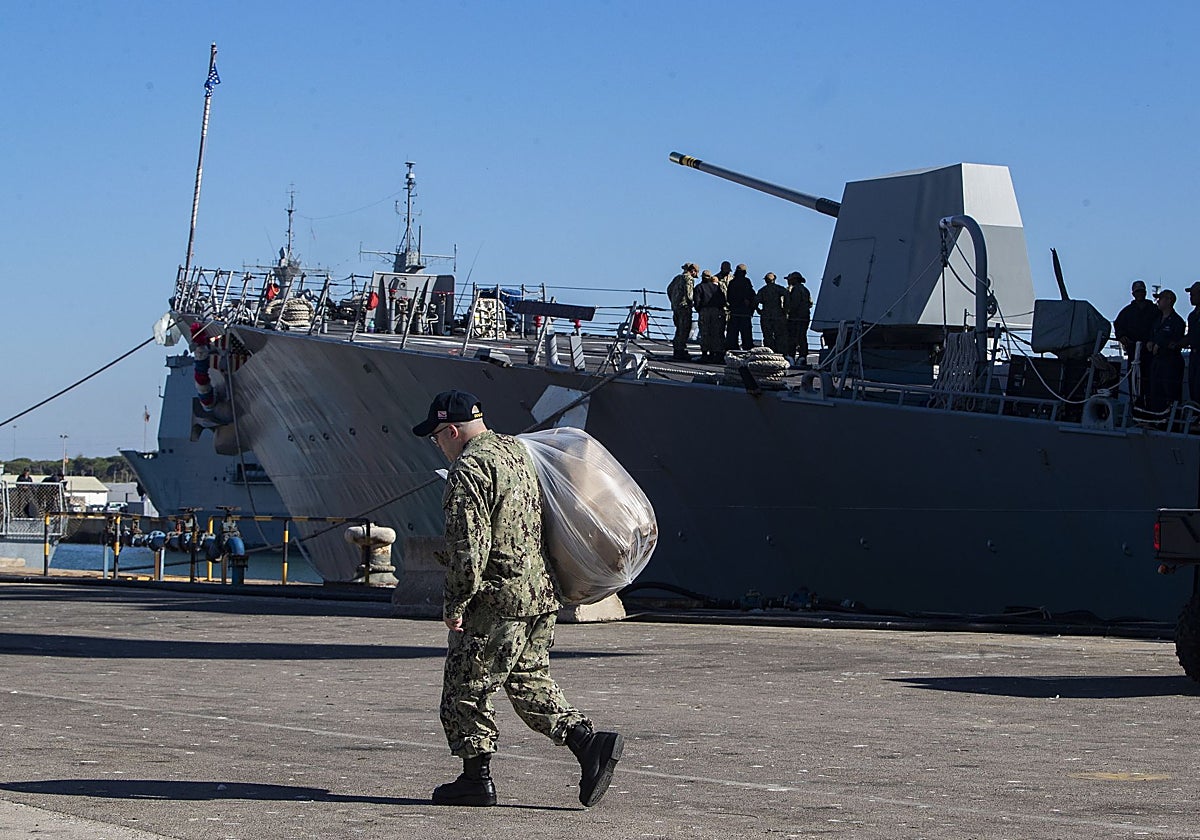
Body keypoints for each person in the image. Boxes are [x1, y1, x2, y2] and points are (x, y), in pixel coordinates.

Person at [413, 390, 623, 808]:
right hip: (540, 592)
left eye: (437, 436)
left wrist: (455, 603)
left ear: (452, 430)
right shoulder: (519, 452)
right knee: (528, 679)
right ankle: (589, 743)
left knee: (465, 689)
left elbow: (468, 547)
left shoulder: (469, 469)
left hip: (497, 599)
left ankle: (476, 780)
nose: (438, 444)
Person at [1113, 279, 1160, 409]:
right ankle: (1136, 407)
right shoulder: (1127, 312)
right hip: (1133, 350)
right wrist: (1121, 336)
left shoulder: (1154, 310)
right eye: (1137, 291)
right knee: (1133, 380)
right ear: (1133, 293)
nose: (1140, 294)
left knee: (1149, 380)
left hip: (1149, 352)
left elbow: (1160, 326)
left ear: (1145, 292)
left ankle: (1150, 408)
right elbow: (1118, 325)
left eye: (1142, 291)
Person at [1146, 289, 1186, 411]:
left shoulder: (1177, 321)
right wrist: (1150, 342)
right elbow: (1153, 335)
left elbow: (1176, 341)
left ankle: (1171, 422)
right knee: (1156, 393)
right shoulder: (1157, 321)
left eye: (1161, 298)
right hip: (1157, 362)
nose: (1158, 301)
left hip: (1170, 363)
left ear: (1169, 300)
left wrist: (1161, 344)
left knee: (1170, 393)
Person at [693, 270, 727, 364]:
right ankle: (714, 353)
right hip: (716, 311)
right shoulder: (716, 288)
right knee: (715, 332)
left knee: (705, 332)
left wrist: (699, 309)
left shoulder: (699, 287)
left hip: (704, 311)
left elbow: (697, 301)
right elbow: (723, 300)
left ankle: (705, 354)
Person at [667, 263, 699, 361]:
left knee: (678, 329)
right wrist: (693, 303)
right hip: (684, 308)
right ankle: (680, 350)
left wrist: (674, 301)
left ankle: (677, 349)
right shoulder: (688, 279)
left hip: (676, 307)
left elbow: (669, 289)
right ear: (693, 271)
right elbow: (689, 295)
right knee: (684, 329)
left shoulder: (677, 278)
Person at [724, 264, 757, 351]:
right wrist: (751, 308)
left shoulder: (732, 283)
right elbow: (752, 295)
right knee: (746, 333)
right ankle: (747, 348)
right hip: (744, 311)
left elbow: (729, 297)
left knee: (733, 333)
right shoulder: (746, 282)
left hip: (734, 310)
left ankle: (732, 348)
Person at [785, 272, 813, 366]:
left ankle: (792, 357)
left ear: (795, 279)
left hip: (796, 317)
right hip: (805, 317)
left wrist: (788, 312)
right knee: (802, 337)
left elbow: (794, 305)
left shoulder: (796, 289)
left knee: (793, 337)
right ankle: (802, 356)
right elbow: (810, 304)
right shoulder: (805, 290)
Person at [756, 272, 788, 354]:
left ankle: (769, 352)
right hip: (778, 315)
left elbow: (755, 302)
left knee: (767, 336)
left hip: (766, 315)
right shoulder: (779, 289)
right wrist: (785, 308)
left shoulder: (762, 290)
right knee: (779, 335)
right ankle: (780, 352)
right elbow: (787, 295)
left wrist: (758, 310)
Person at [1186, 282, 1200, 402]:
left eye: (1193, 294)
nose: (1191, 297)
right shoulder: (1192, 316)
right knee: (1193, 388)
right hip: (1194, 355)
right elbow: (1190, 336)